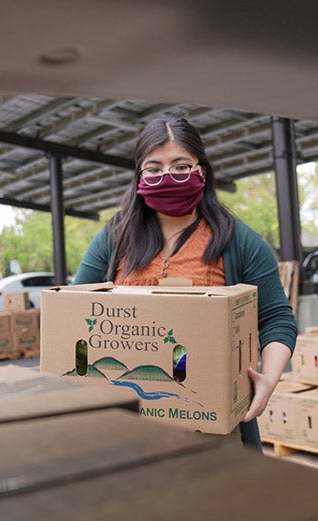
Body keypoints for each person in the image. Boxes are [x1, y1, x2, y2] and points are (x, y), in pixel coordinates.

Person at [73, 116, 298, 449]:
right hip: (124, 428)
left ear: (201, 171)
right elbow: (74, 309)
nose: (167, 177)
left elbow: (277, 319)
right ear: (139, 175)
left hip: (209, 428)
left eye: (180, 167)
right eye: (154, 168)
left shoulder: (241, 241)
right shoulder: (114, 238)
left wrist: (268, 380)